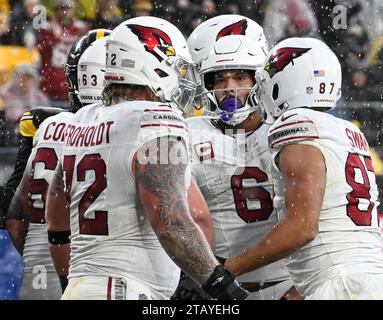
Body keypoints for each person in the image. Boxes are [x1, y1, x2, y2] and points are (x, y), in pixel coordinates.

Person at [46, 16, 247, 300]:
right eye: (177, 67)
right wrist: (222, 285)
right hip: (123, 290)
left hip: (86, 287)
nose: (183, 78)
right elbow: (171, 220)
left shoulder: (82, 119)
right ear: (149, 64)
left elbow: (55, 208)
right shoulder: (155, 120)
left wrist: (70, 277)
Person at [225, 37, 383, 299]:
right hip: (367, 279)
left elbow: (303, 227)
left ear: (285, 83)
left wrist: (229, 270)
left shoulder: (297, 124)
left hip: (342, 284)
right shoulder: (347, 131)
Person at [175, 17, 293, 300]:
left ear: (257, 81)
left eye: (240, 77)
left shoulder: (283, 129)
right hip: (220, 289)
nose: (229, 88)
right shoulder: (188, 133)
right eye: (220, 79)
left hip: (287, 282)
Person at [5, 29, 112, 300]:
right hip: (104, 280)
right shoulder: (137, 131)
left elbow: (14, 220)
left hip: (43, 281)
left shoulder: (45, 124)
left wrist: (47, 259)